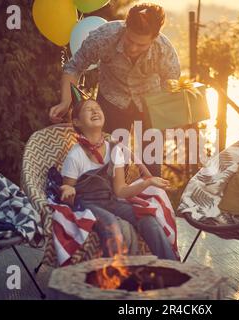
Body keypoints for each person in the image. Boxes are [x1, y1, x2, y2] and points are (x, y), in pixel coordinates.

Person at [49, 3, 181, 177]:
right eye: (130, 40)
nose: (133, 48)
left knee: (152, 165)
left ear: (154, 38)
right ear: (126, 26)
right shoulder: (104, 37)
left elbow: (171, 83)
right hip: (112, 100)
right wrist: (66, 102)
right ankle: (110, 199)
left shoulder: (164, 50)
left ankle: (152, 199)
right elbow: (73, 68)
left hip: (151, 103)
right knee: (112, 165)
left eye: (141, 45)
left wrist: (166, 110)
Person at [59, 83, 177, 260]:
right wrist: (68, 191)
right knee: (112, 225)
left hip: (111, 201)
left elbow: (120, 190)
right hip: (87, 204)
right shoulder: (75, 155)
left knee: (148, 219)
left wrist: (148, 182)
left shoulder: (115, 149)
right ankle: (115, 278)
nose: (95, 111)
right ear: (76, 121)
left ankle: (173, 269)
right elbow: (66, 192)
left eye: (97, 108)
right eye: (88, 109)